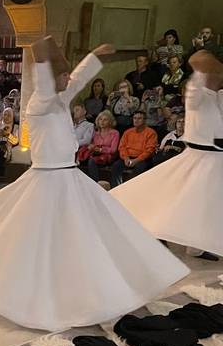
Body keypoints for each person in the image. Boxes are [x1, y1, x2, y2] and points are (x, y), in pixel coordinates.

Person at [0, 38, 188, 331]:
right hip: (48, 181)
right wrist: (42, 57)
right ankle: (46, 294)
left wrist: (93, 56)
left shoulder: (59, 100)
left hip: (70, 179)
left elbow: (76, 80)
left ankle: (96, 286)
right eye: (62, 75)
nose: (69, 79)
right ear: (51, 79)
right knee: (43, 240)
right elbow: (47, 82)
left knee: (90, 234)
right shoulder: (41, 103)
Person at [113, 51, 223, 257]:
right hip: (200, 157)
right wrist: (204, 68)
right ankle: (156, 230)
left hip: (217, 157)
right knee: (180, 199)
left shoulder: (219, 94)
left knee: (204, 204)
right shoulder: (197, 92)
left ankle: (196, 246)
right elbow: (197, 71)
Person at [109, 110, 158, 186]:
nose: (136, 120)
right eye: (135, 118)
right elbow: (122, 147)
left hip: (143, 159)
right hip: (128, 157)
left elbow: (149, 150)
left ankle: (130, 188)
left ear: (145, 120)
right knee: (116, 166)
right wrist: (126, 158)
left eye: (139, 118)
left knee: (140, 167)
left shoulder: (151, 132)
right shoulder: (128, 132)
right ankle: (116, 188)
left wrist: (136, 160)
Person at [80, 110, 120, 181]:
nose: (102, 122)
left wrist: (101, 149)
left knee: (91, 161)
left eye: (105, 120)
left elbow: (113, 150)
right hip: (96, 154)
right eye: (100, 119)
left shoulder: (115, 133)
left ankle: (95, 183)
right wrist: (91, 147)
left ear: (110, 121)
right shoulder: (95, 133)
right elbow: (91, 144)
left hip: (108, 156)